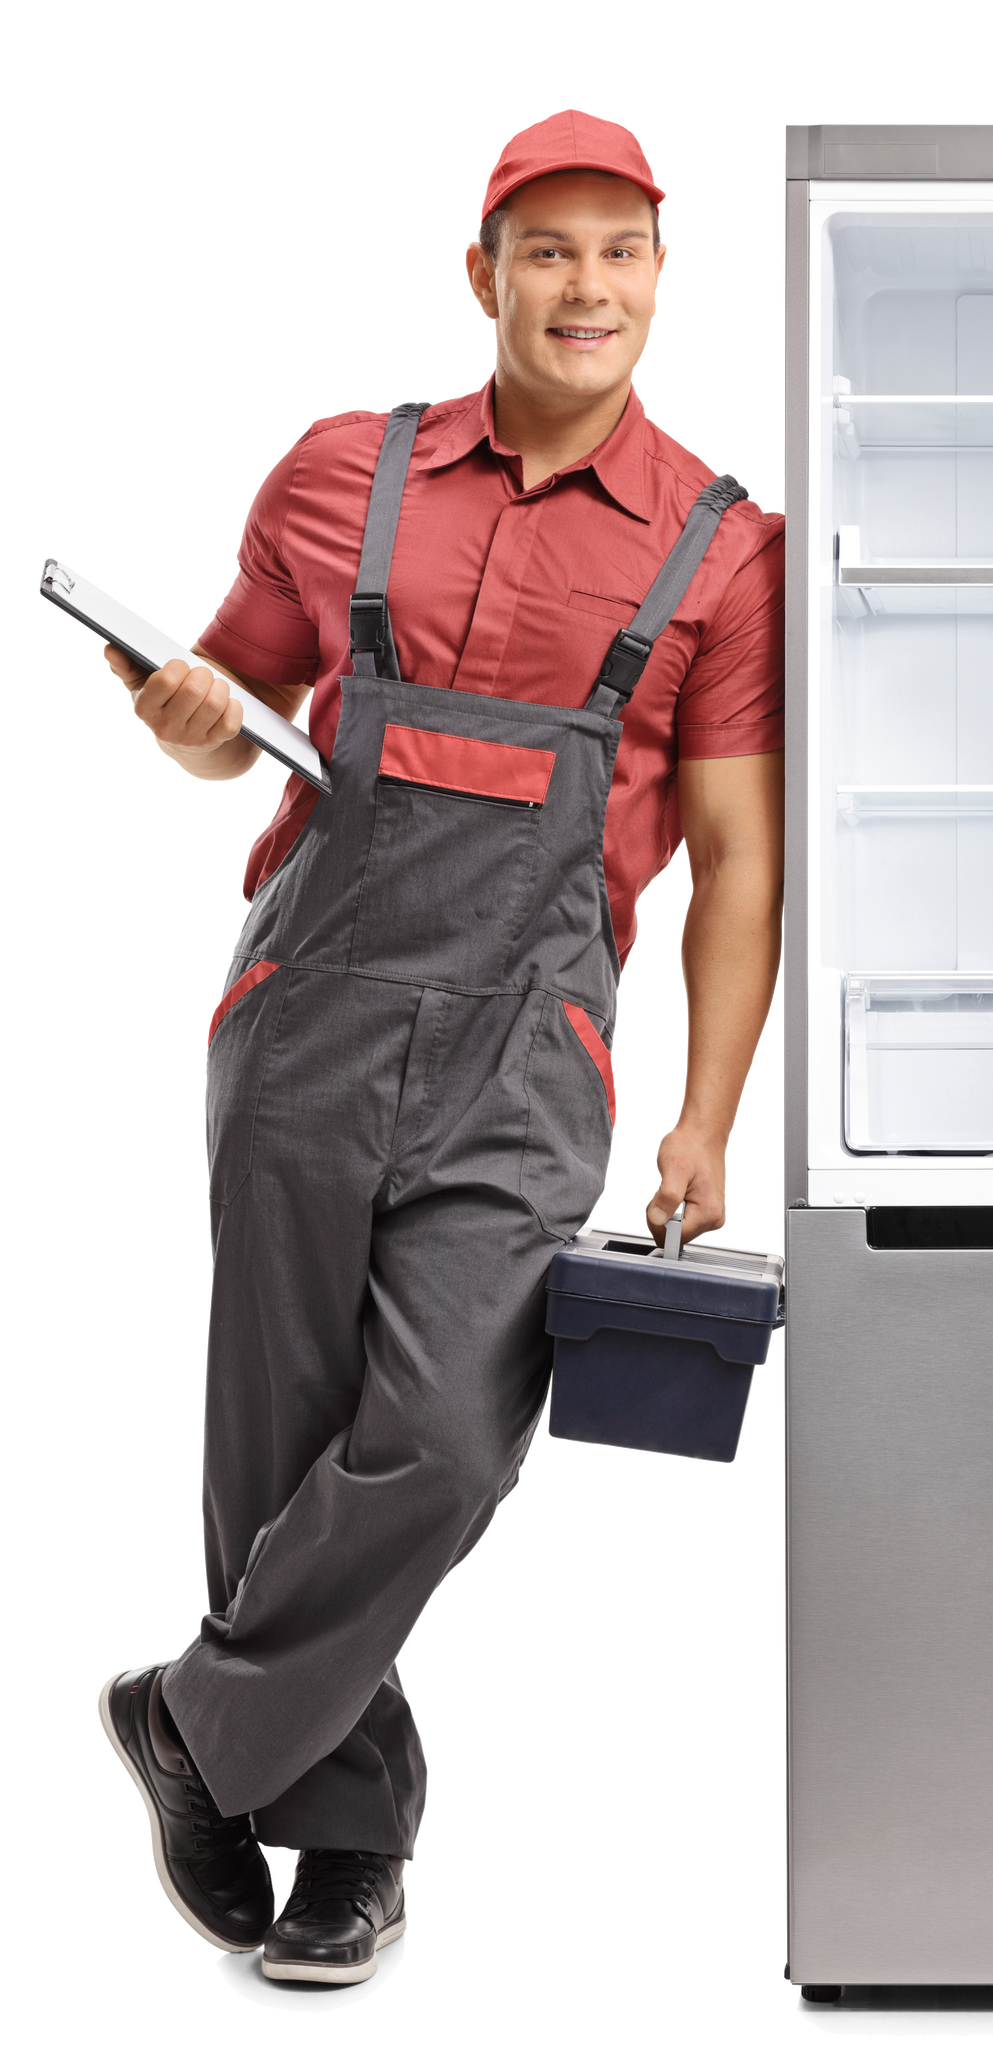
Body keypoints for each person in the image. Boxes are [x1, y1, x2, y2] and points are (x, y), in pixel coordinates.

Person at [93, 107, 784, 1986]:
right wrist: (186, 723)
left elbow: (736, 862)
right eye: (545, 248)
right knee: (279, 1441)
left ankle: (198, 1735)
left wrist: (712, 1115)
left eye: (621, 249)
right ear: (481, 273)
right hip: (302, 1007)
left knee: (450, 1435)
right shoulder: (339, 470)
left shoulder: (728, 548)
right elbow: (230, 715)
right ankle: (347, 1859)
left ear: (662, 274)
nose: (587, 285)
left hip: (533, 1046)